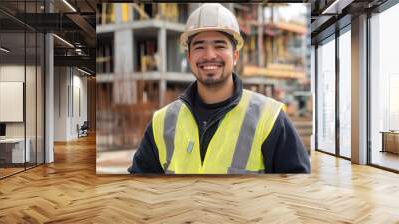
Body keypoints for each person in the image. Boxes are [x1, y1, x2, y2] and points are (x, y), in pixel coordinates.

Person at [128, 3, 310, 174]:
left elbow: (298, 192)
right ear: (189, 56)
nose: (209, 55)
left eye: (219, 45)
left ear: (235, 55)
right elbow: (138, 189)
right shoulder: (162, 122)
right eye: (199, 47)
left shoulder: (269, 118)